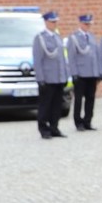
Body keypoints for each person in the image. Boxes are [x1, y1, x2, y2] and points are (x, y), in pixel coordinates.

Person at [32, 11, 68, 140]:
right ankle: (44, 129)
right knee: (45, 105)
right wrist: (40, 78)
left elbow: (62, 59)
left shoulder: (57, 37)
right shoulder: (40, 38)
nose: (54, 24)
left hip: (58, 77)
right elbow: (38, 60)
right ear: (46, 22)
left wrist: (64, 76)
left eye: (56, 22)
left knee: (56, 105)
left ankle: (54, 127)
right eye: (52, 22)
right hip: (47, 78)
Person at [67, 13, 100, 131]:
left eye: (89, 24)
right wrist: (74, 73)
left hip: (92, 73)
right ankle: (78, 122)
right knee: (79, 99)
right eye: (86, 24)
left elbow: (96, 56)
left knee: (90, 99)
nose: (87, 26)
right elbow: (71, 57)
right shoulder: (74, 38)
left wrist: (98, 72)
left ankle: (88, 121)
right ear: (80, 23)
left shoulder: (91, 37)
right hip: (80, 74)